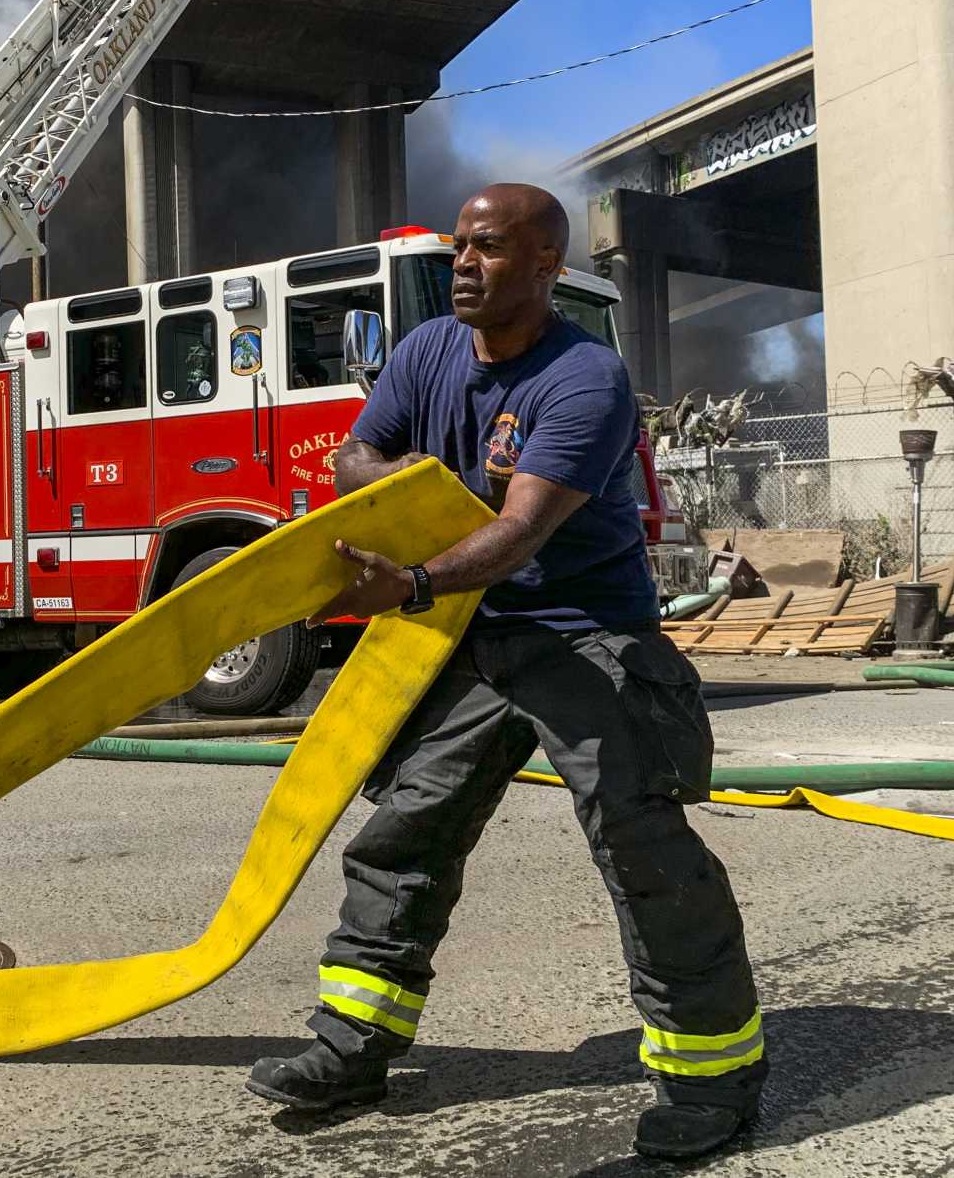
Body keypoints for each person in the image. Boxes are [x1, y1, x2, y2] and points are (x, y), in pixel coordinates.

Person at [246, 184, 766, 1161]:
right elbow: (353, 456)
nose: (463, 265)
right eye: (458, 248)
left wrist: (411, 579)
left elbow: (520, 530)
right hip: (468, 633)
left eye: (486, 248)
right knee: (404, 834)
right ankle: (352, 1044)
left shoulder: (585, 378)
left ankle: (713, 1080)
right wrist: (423, 494)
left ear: (544, 264)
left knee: (642, 851)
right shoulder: (426, 351)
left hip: (584, 636)